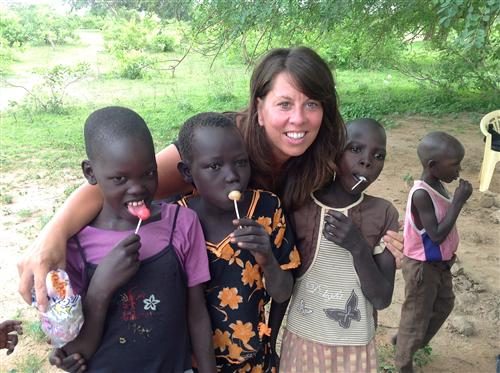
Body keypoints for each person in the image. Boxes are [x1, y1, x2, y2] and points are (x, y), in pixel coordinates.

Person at [18, 46, 404, 313]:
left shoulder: (319, 158)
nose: (299, 119)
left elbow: (354, 193)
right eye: (284, 104)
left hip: (255, 313)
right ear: (259, 107)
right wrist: (51, 236)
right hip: (180, 296)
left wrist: (389, 238)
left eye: (312, 104)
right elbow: (119, 185)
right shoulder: (219, 146)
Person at [49, 107, 216, 372]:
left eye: (149, 173)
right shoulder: (75, 246)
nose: (138, 188)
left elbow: (197, 313)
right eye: (120, 178)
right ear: (90, 173)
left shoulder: (181, 223)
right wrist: (100, 288)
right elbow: (76, 353)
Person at [176, 112, 300, 372]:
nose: (232, 176)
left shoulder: (267, 209)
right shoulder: (178, 220)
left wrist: (266, 258)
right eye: (214, 166)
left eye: (241, 162)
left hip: (254, 359)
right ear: (187, 172)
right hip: (194, 362)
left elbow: (282, 292)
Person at [272, 118, 398, 372]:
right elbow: (287, 279)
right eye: (355, 149)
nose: (367, 161)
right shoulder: (300, 205)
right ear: (333, 152)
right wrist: (270, 340)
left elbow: (382, 298)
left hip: (355, 350)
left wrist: (358, 246)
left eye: (379, 155)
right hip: (303, 342)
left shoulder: (383, 213)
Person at [394, 131, 472, 373]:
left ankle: (408, 341)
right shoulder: (420, 194)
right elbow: (436, 235)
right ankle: (403, 362)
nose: (459, 170)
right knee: (416, 316)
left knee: (444, 304)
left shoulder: (437, 183)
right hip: (422, 267)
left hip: (440, 264)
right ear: (433, 166)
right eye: (455, 165)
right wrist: (458, 202)